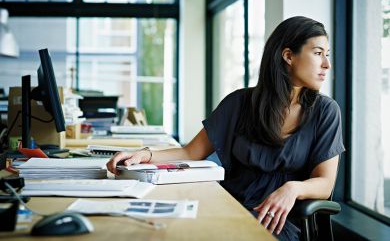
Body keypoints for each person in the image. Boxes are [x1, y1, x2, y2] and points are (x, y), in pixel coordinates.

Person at [107, 16, 345, 240]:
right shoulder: (239, 103)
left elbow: (324, 183)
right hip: (226, 205)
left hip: (277, 221)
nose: (327, 64)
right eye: (318, 53)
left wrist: (293, 188)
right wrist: (143, 155)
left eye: (327, 55)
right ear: (288, 56)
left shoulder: (326, 111)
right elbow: (191, 152)